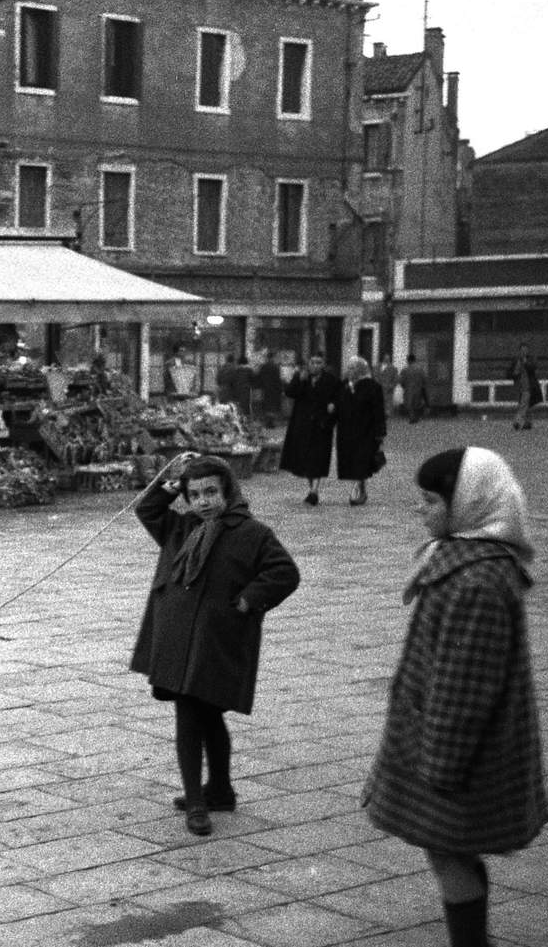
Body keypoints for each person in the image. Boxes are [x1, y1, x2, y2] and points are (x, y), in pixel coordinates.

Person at [362, 447, 547, 947]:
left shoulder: (477, 581)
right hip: (449, 740)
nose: (421, 510)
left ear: (467, 504)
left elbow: (466, 686)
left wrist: (439, 763)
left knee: (449, 850)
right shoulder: (463, 559)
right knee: (451, 850)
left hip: (461, 749)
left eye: (431, 500)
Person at [130, 454, 300, 837]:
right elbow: (147, 508)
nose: (203, 501)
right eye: (195, 494)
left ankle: (199, 802)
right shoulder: (180, 527)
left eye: (211, 492)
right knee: (198, 714)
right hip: (176, 638)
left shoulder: (252, 533)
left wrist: (247, 600)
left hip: (215, 640)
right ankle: (215, 791)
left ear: (228, 491)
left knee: (200, 715)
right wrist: (171, 483)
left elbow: (285, 573)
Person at [279, 350, 340, 505]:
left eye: (318, 362)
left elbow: (339, 398)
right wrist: (299, 380)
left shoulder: (331, 380)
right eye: (312, 362)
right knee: (307, 459)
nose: (315, 365)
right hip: (303, 425)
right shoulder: (302, 377)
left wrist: (334, 406)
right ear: (308, 363)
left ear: (323, 364)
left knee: (318, 459)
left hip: (322, 426)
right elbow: (290, 393)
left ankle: (314, 491)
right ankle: (312, 488)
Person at [336, 356, 389, 506]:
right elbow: (338, 405)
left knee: (360, 462)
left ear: (361, 369)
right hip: (346, 431)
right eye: (349, 367)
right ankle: (362, 491)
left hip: (366, 432)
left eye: (353, 368)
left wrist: (380, 433)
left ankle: (355, 493)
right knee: (353, 463)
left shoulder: (373, 387)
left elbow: (378, 412)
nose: (350, 371)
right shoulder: (344, 385)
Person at [507, 344, 543, 430]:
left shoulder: (530, 359)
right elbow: (509, 373)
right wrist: (514, 373)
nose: (524, 352)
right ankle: (528, 423)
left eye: (526, 350)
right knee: (527, 405)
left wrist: (525, 362)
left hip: (528, 387)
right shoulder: (516, 361)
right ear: (519, 351)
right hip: (519, 387)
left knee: (523, 405)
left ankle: (517, 422)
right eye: (522, 350)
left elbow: (533, 368)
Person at [255, 350, 284, 428]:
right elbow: (278, 379)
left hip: (265, 389)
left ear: (267, 358)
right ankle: (271, 422)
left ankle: (267, 422)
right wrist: (280, 389)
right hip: (274, 389)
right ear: (273, 358)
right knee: (272, 406)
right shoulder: (276, 367)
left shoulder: (263, 367)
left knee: (266, 405)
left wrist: (259, 386)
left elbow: (259, 378)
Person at [400, 353, 430, 424]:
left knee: (409, 404)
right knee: (417, 404)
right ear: (415, 360)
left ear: (408, 360)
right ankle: (416, 417)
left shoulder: (404, 370)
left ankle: (412, 417)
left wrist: (404, 387)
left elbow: (401, 381)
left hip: (408, 389)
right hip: (418, 389)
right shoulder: (420, 369)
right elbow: (425, 379)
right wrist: (422, 386)